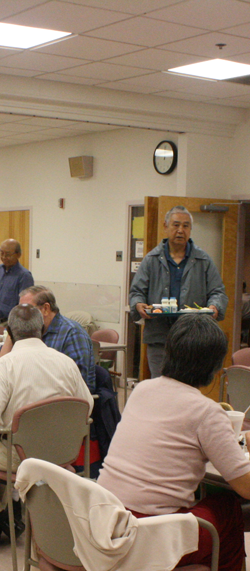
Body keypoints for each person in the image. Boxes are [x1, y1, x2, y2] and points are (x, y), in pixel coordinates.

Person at [98, 315, 250, 571]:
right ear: (213, 367)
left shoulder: (142, 389)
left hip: (107, 523)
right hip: (150, 538)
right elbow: (245, 487)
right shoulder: (206, 412)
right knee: (229, 507)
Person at [0, 304, 93, 545]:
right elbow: (87, 406)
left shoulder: (6, 364)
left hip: (19, 455)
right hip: (61, 452)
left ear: (9, 331)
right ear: (42, 328)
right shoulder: (65, 362)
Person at [129, 206, 227, 378]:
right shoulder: (151, 260)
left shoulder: (203, 260)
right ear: (166, 226)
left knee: (187, 386)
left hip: (192, 338)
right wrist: (138, 305)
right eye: (176, 225)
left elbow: (218, 291)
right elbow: (137, 291)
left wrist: (215, 306)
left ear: (190, 229)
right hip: (159, 338)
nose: (180, 230)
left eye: (186, 226)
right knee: (160, 386)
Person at [1, 285, 96, 391]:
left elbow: (77, 380)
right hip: (32, 391)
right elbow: (1, 369)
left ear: (45, 309)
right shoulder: (28, 330)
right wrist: (11, 333)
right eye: (19, 310)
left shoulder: (72, 333)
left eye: (27, 309)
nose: (21, 315)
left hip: (64, 399)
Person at [0, 239, 34, 328]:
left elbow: (24, 305)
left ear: (18, 255)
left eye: (8, 254)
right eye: (1, 253)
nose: (4, 257)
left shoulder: (24, 276)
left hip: (11, 324)